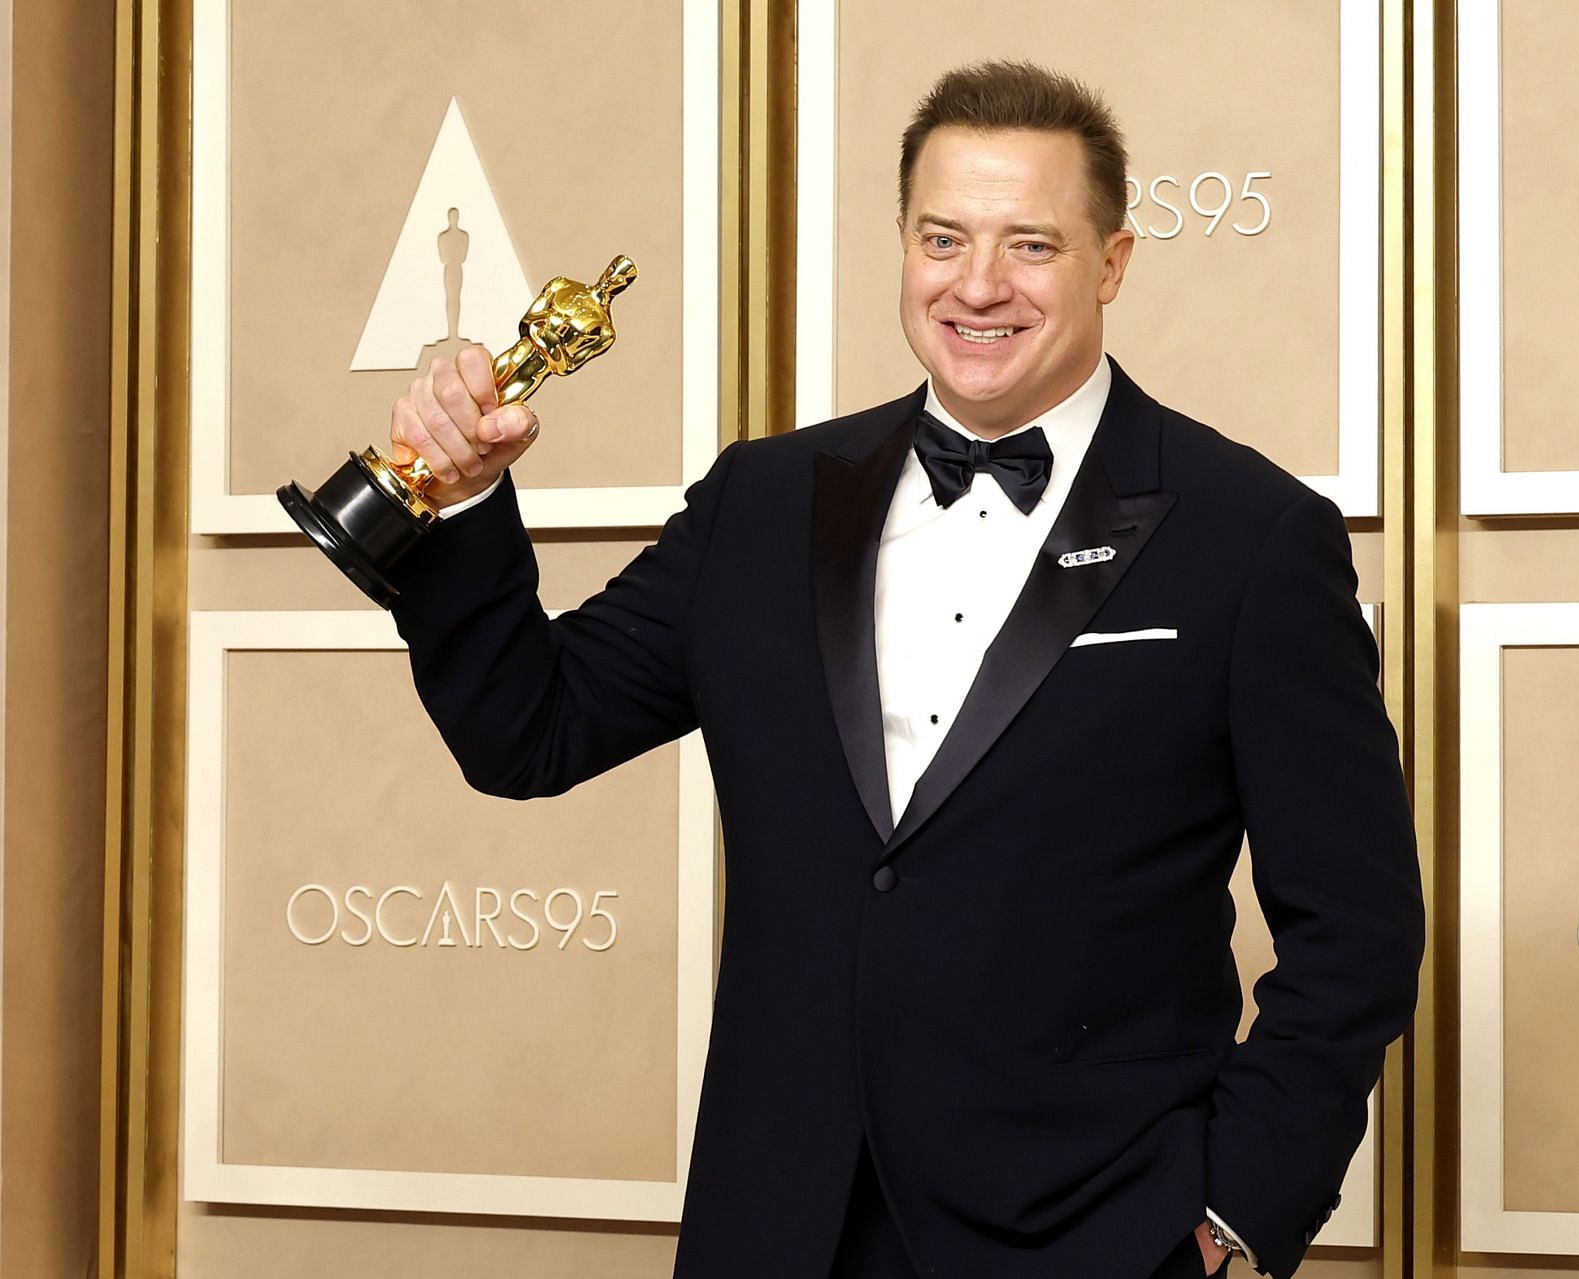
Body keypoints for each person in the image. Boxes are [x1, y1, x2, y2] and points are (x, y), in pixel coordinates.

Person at [383, 60, 1422, 1279]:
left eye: (1030, 244)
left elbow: (1358, 928)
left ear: (1113, 261)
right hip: (776, 1224)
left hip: (1094, 1234)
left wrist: (1232, 1213)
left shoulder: (1250, 537)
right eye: (944, 238)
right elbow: (530, 730)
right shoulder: (761, 504)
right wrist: (464, 506)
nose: (978, 286)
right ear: (902, 246)